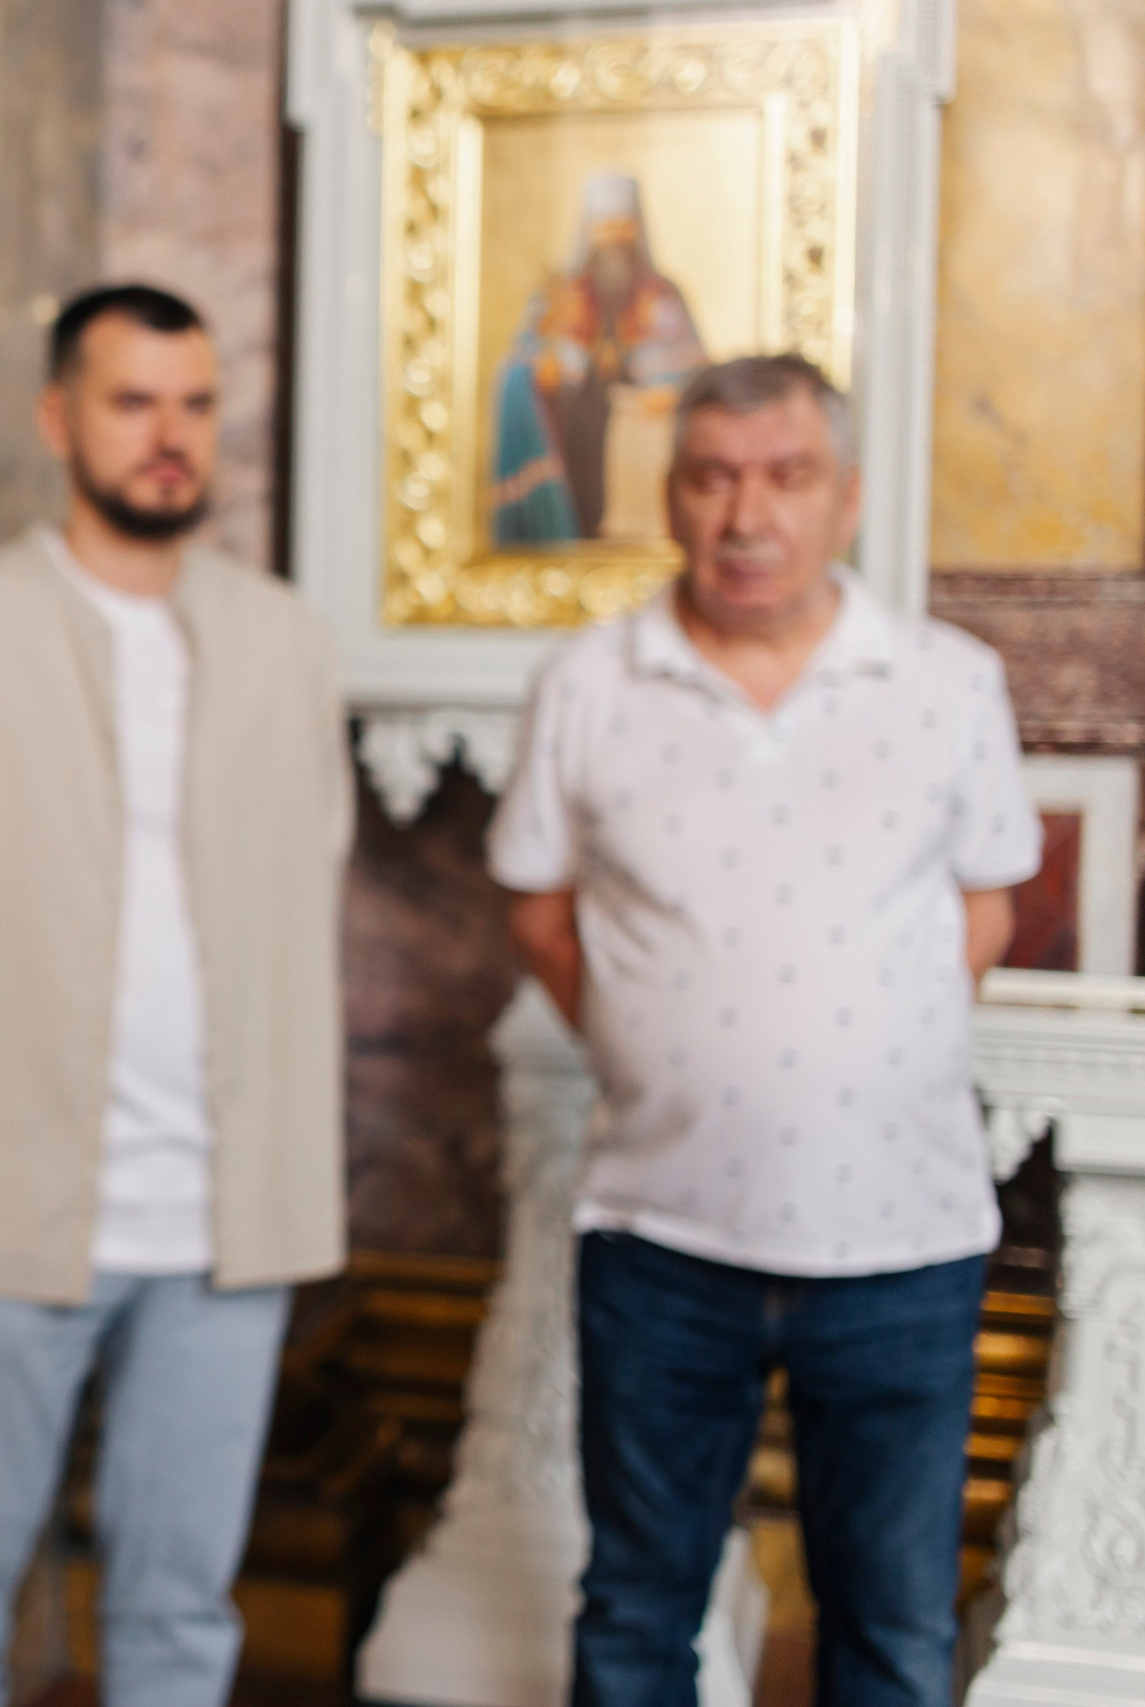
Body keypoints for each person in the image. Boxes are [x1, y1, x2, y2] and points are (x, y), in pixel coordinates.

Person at [489, 354, 1038, 1707]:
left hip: (901, 1246)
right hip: (661, 1236)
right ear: (670, 496)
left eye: (787, 476)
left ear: (845, 499)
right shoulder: (589, 680)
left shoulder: (947, 681)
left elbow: (987, 910)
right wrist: (664, 1043)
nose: (749, 513)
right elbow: (541, 914)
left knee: (894, 1630)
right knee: (635, 1614)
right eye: (713, 475)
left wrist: (854, 1048)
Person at [0, 285, 352, 1707]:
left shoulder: (285, 638)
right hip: (6, 1202)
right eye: (135, 401)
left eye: (194, 403)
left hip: (224, 1216)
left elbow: (315, 865)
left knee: (182, 1617)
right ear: (60, 419)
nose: (169, 434)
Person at [491, 171, 708, 544]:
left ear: (637, 229)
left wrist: (670, 393)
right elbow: (518, 361)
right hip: (575, 431)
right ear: (589, 230)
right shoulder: (559, 294)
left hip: (635, 433)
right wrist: (543, 370)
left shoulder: (661, 294)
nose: (615, 236)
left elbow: (695, 372)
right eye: (606, 226)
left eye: (623, 226)